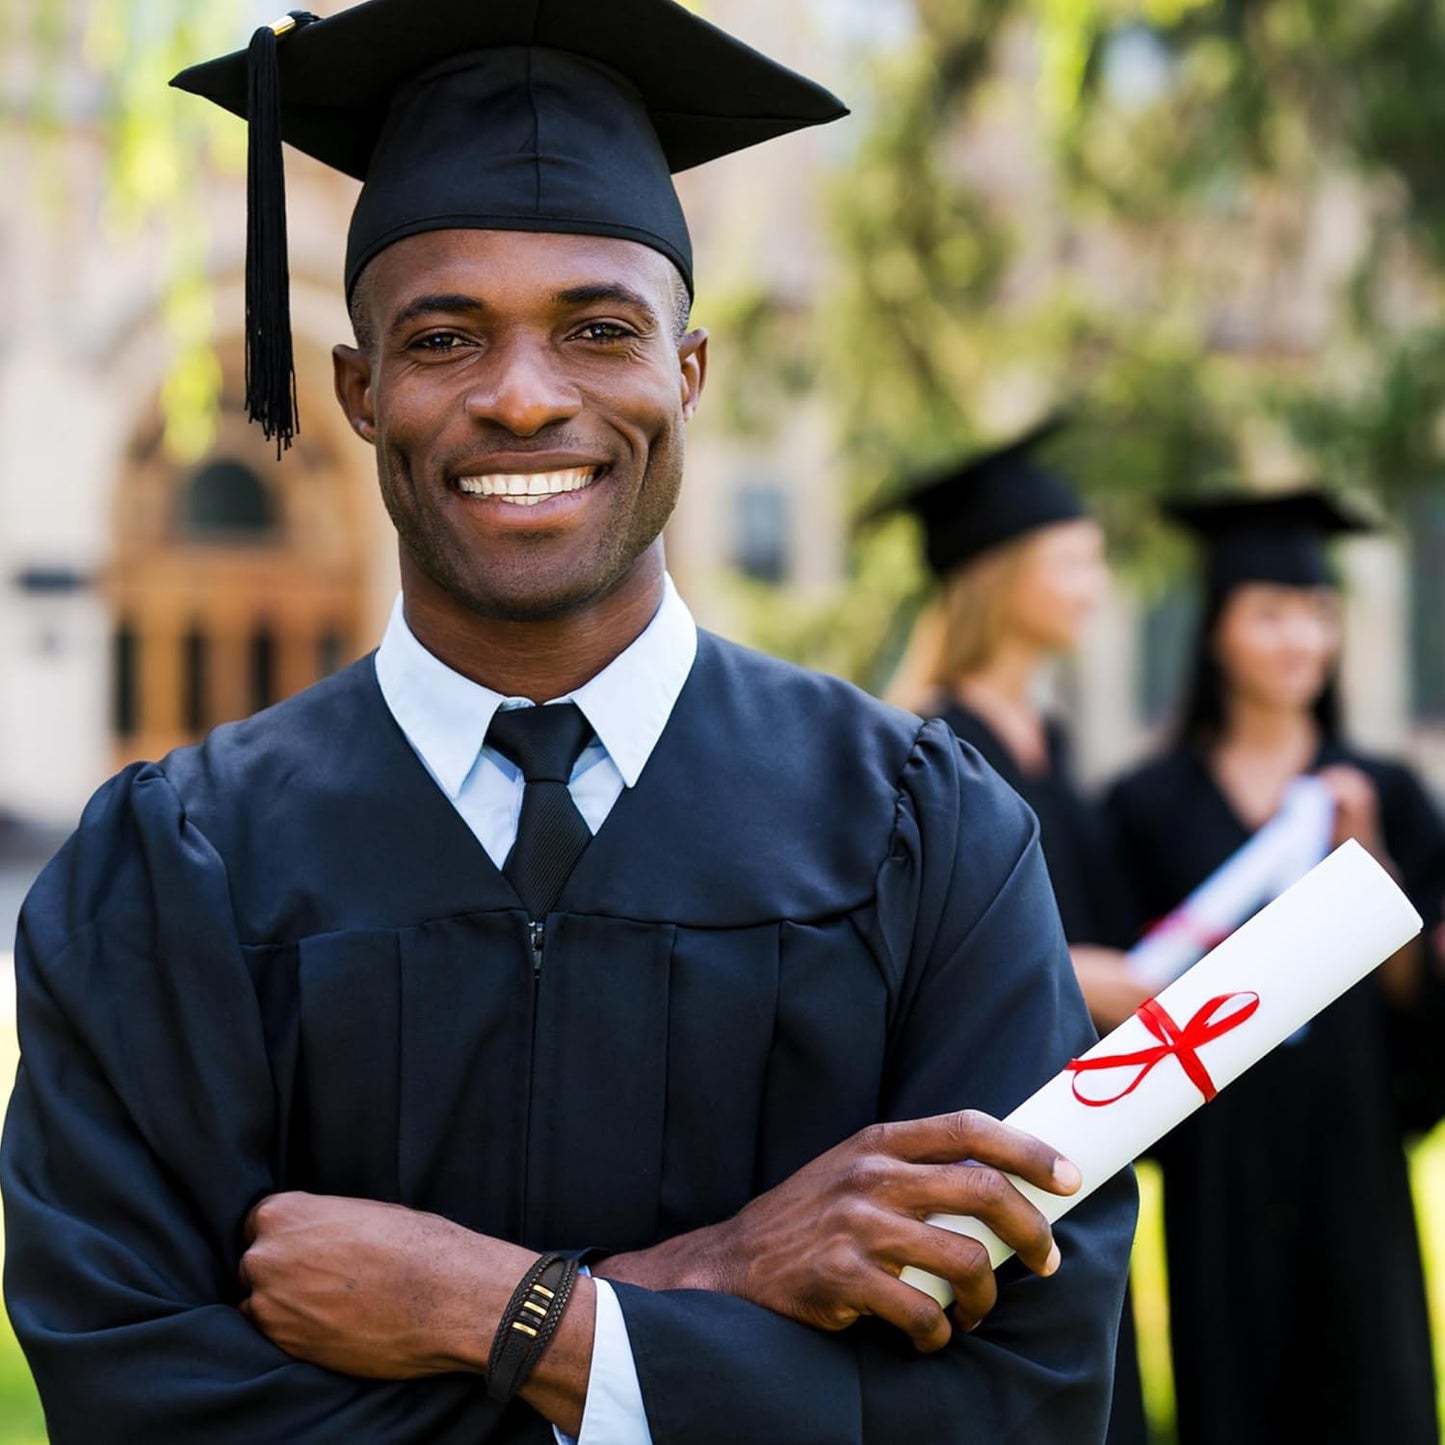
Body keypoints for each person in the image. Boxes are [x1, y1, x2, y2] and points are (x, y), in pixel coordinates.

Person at [0, 3, 1137, 1442]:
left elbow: (1018, 1400)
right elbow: (143, 1403)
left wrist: (506, 1314)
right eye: (445, 336)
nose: (524, 395)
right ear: (358, 390)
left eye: (599, 330)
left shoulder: (928, 833)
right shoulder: (171, 870)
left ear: (689, 373)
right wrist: (705, 1286)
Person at [1108, 489, 1445, 1445]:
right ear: (1216, 629)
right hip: (1220, 1158)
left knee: (1366, 1393)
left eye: (1316, 613)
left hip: (1351, 1154)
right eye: (1269, 612)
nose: (1299, 637)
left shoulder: (1384, 794)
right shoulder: (1147, 804)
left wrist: (1370, 867)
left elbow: (1420, 1012)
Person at [875, 421, 1151, 1445]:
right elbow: (913, 953)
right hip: (981, 1138)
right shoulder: (927, 748)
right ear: (1000, 572)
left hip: (1076, 1132)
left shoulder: (1053, 737)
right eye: (1072, 557)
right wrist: (1085, 974)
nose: (1094, 581)